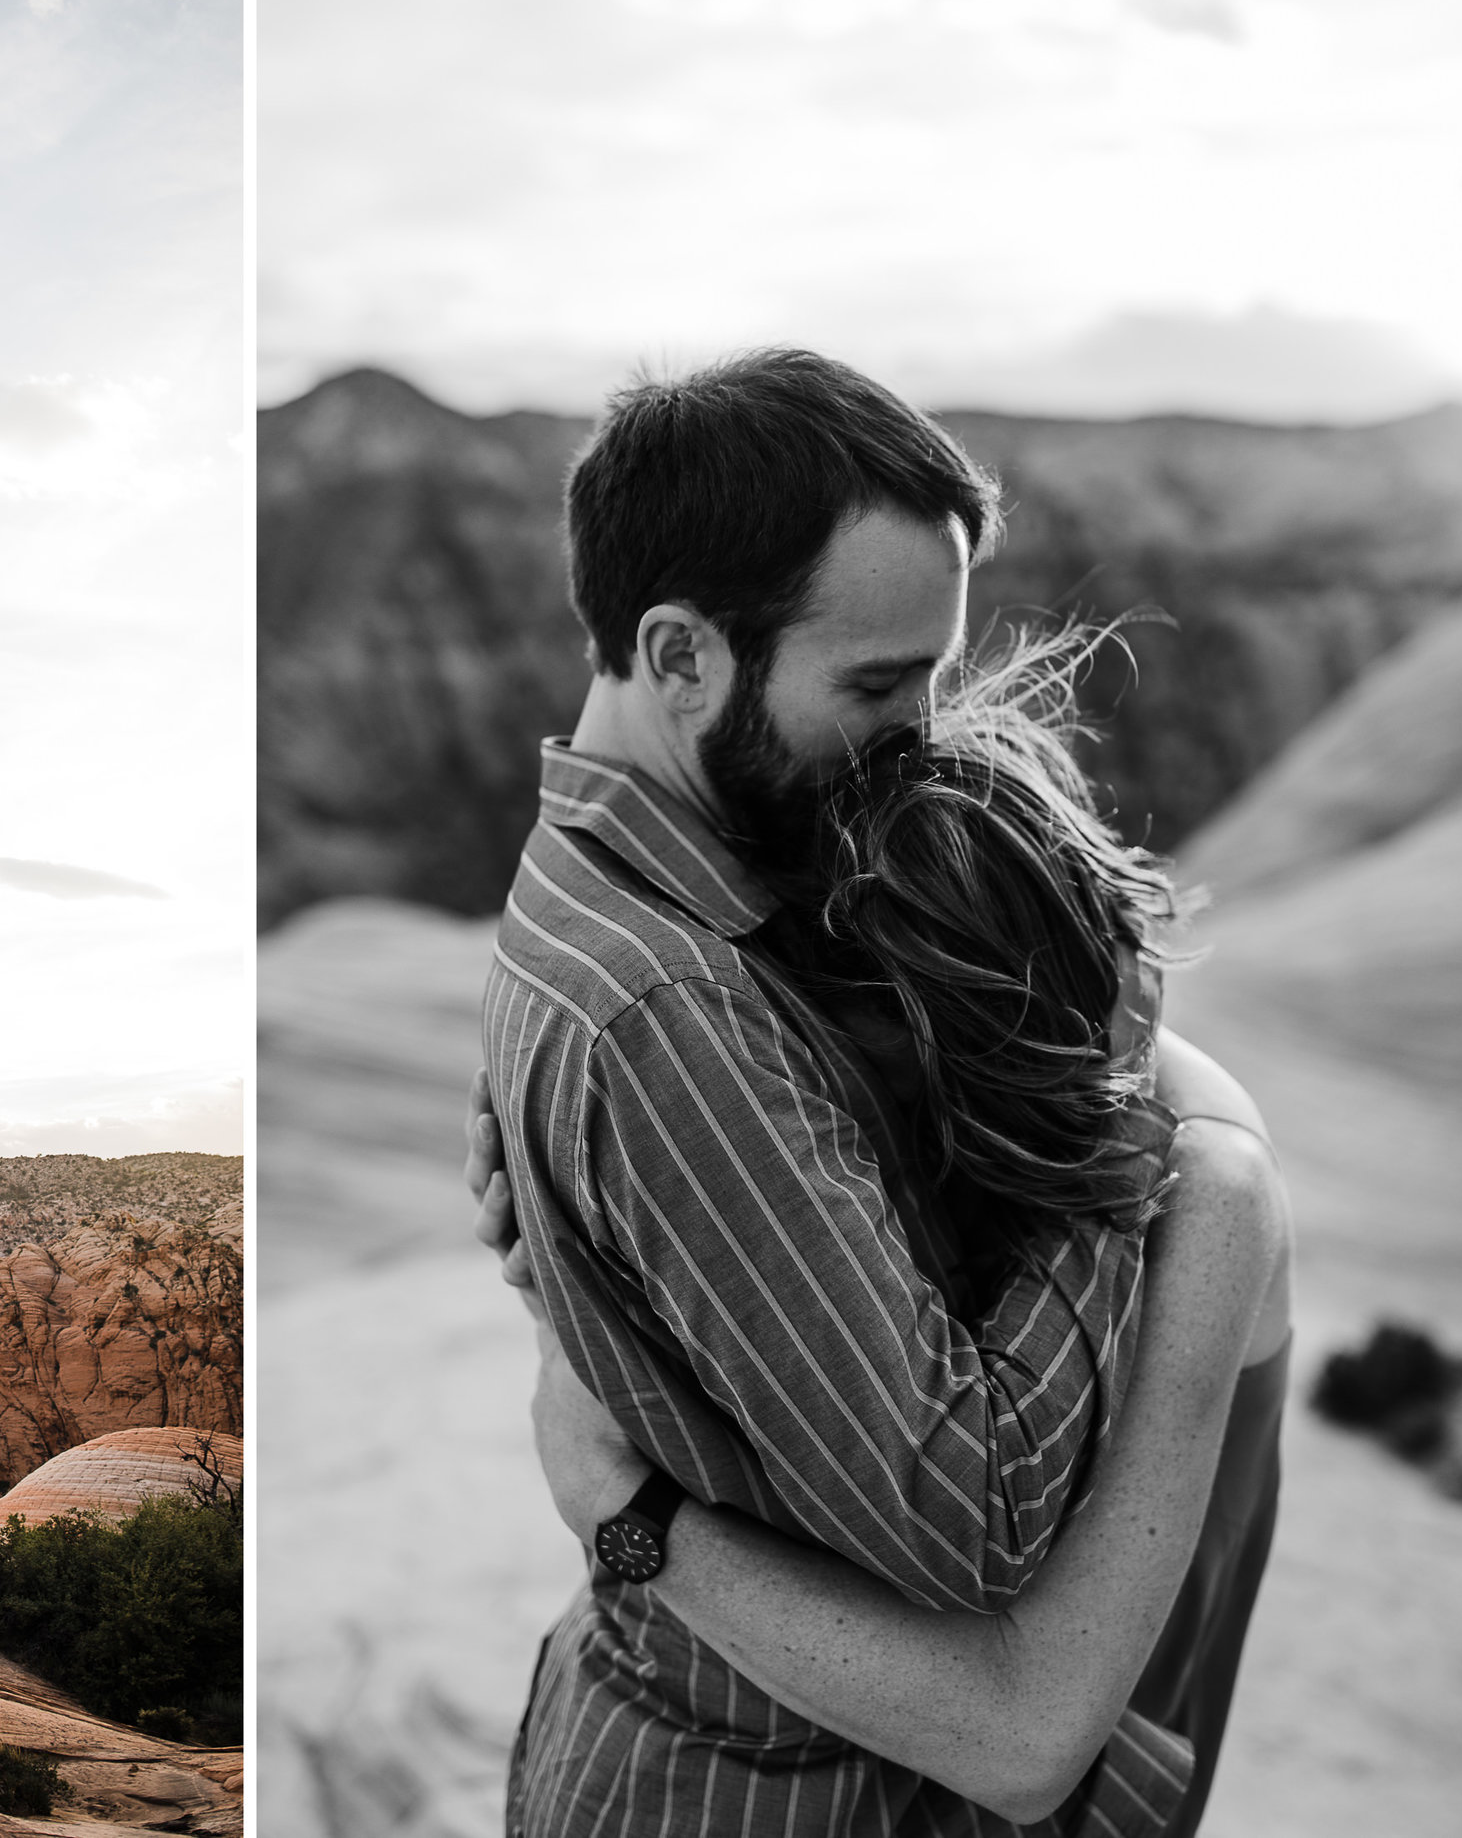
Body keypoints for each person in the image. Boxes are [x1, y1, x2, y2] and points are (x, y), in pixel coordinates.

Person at [468, 348, 1281, 1836]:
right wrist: (1111, 1079)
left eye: (937, 670)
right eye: (876, 681)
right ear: (681, 654)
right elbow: (970, 1511)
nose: (921, 732)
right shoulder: (666, 1008)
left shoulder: (701, 886)